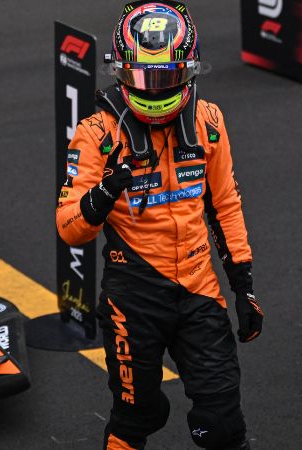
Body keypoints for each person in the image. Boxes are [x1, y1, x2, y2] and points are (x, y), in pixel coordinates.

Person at [55, 2, 264, 449]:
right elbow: (70, 228)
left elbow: (225, 205)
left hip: (199, 292)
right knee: (136, 418)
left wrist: (242, 286)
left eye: (165, 77)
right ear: (121, 72)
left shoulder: (209, 121)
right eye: (144, 78)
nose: (154, 90)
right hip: (133, 299)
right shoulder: (96, 134)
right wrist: (103, 194)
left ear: (189, 69)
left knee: (222, 424)